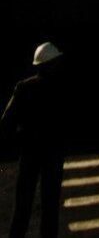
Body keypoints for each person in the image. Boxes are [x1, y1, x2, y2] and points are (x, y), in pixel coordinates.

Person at [0, 41, 69, 238]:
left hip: (29, 153)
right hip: (53, 154)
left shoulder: (24, 88)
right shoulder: (61, 89)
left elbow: (6, 122)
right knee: (50, 207)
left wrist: (18, 139)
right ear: (51, 64)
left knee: (22, 205)